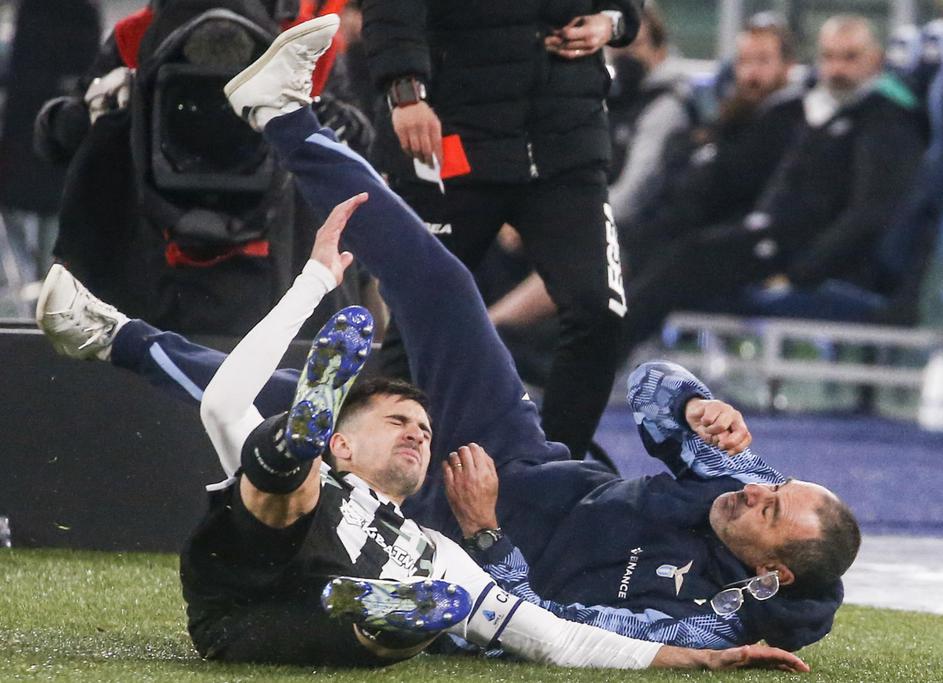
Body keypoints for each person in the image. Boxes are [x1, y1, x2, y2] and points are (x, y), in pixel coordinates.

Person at [37, 13, 856, 655]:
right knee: (442, 285)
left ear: (770, 572)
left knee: (292, 420)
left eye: (767, 508)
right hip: (522, 450)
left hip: (456, 539)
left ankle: (110, 336)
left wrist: (487, 530)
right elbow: (649, 390)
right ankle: (283, 115)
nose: (752, 489)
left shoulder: (710, 622)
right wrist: (691, 403)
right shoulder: (743, 481)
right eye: (771, 485)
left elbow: (560, 633)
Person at [360, 0, 643, 461]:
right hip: (456, 133)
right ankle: (372, 473)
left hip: (566, 142)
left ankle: (556, 472)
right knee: (421, 318)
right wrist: (405, 92)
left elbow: (626, 8)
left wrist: (610, 22)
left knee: (599, 310)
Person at [617, 14, 927, 350]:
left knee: (686, 262)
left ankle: (604, 353)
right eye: (829, 57)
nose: (837, 69)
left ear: (876, 60)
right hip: (773, 242)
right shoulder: (823, 113)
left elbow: (869, 215)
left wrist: (799, 274)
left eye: (850, 57)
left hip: (808, 260)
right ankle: (604, 350)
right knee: (676, 254)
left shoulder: (886, 122)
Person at [607, 1, 694, 231]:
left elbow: (634, 193)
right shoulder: (612, 98)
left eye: (636, 45)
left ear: (659, 51)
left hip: (638, 231)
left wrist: (574, 220)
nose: (625, 54)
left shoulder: (666, 106)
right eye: (619, 45)